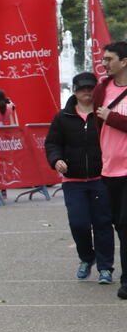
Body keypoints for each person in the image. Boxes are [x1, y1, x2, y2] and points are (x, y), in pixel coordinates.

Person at [46, 71, 115, 285]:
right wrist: (56, 160)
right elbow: (52, 143)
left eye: (90, 88)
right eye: (82, 88)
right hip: (73, 181)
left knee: (103, 224)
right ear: (74, 91)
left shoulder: (104, 114)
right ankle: (87, 257)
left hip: (101, 178)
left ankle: (105, 268)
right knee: (79, 224)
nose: (87, 92)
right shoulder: (63, 117)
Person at [92, 41, 127, 299]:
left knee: (125, 225)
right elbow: (95, 121)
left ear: (124, 61)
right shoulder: (102, 89)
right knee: (117, 224)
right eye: (103, 59)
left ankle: (126, 280)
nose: (104, 63)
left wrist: (112, 117)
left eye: (109, 59)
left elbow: (106, 118)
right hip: (109, 170)